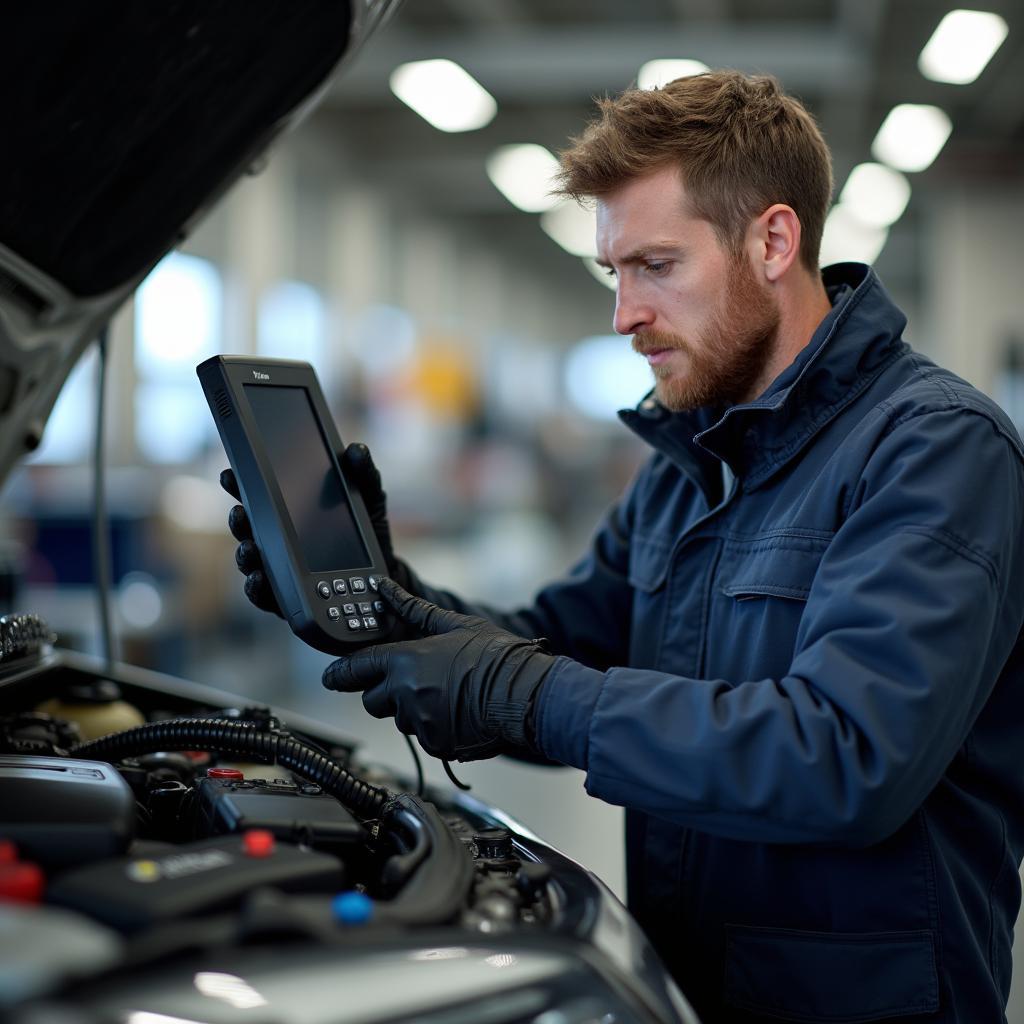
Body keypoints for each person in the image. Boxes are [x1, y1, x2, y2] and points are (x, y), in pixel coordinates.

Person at [223, 71, 1024, 1023]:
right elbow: (563, 645)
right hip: (683, 982)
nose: (624, 315)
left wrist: (517, 692)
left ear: (773, 240)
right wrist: (393, 599)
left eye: (656, 265)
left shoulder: (933, 448)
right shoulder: (692, 460)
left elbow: (845, 755)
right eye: (616, 273)